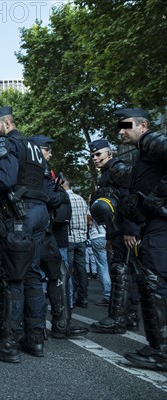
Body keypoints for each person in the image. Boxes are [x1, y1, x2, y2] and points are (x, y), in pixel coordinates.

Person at [0, 106, 49, 363]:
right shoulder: (35, 148)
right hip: (39, 214)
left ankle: (7, 344)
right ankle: (35, 340)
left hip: (19, 216)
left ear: (6, 124)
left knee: (12, 279)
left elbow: (4, 180)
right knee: (33, 277)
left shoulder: (5, 143)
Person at [115, 108, 167, 371]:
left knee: (156, 285)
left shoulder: (150, 141)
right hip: (152, 224)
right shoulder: (143, 151)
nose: (120, 131)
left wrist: (157, 198)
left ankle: (162, 352)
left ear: (143, 124)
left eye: (125, 125)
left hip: (159, 225)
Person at [88, 138, 140, 334]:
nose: (95, 157)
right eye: (92, 155)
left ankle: (117, 319)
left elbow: (130, 200)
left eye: (98, 154)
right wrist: (111, 236)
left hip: (125, 231)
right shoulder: (105, 174)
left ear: (109, 153)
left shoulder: (118, 169)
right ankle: (129, 317)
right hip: (117, 231)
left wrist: (129, 230)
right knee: (129, 272)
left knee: (121, 271)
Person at [62, 177, 89, 309]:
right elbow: (88, 216)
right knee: (81, 269)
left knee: (68, 269)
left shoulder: (64, 200)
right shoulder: (81, 199)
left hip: (69, 238)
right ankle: (83, 298)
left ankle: (70, 298)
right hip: (82, 239)